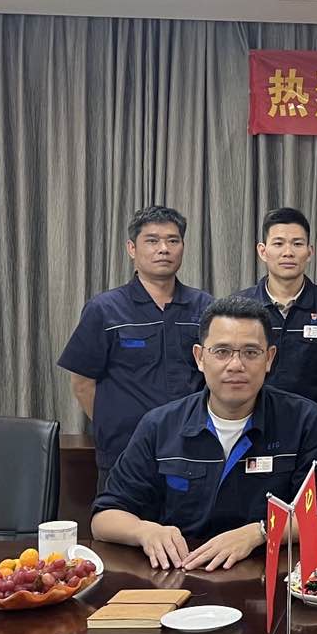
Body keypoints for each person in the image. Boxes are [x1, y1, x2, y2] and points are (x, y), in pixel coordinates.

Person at [92, 296, 317, 570]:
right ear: (200, 357)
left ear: (269, 358)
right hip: (181, 571)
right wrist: (145, 531)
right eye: (222, 351)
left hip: (268, 572)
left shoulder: (306, 421)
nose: (235, 365)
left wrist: (260, 532)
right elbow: (104, 517)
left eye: (251, 352)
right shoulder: (160, 425)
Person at [58, 205, 214, 492]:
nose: (163, 249)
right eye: (152, 240)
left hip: (190, 451)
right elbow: (82, 384)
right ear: (132, 248)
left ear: (182, 247)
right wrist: (115, 424)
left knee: (188, 522)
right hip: (124, 452)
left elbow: (215, 376)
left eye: (173, 240)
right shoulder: (105, 309)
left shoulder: (204, 307)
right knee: (119, 519)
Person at [234, 207, 317, 423]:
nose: (288, 252)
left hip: (316, 427)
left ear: (310, 252)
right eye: (278, 244)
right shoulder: (238, 307)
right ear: (262, 251)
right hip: (251, 425)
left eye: (297, 244)